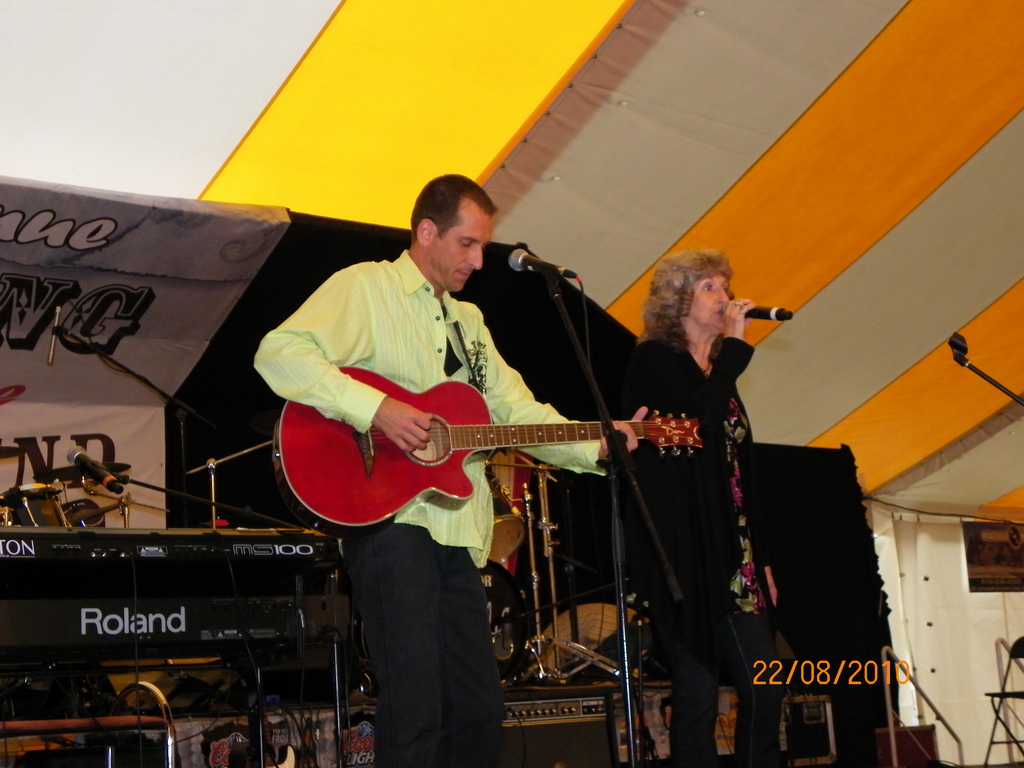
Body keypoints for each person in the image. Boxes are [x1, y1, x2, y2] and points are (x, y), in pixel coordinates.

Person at [254, 174, 639, 768]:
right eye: (467, 243)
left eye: (483, 246)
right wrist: (378, 408)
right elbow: (279, 352)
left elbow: (517, 413)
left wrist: (598, 444)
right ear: (427, 232)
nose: (478, 261)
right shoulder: (367, 287)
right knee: (416, 708)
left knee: (478, 710)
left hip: (459, 533)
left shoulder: (469, 322)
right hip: (391, 523)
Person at [621, 248, 784, 768]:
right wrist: (734, 349)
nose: (725, 297)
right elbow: (697, 426)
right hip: (682, 553)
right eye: (709, 286)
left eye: (724, 286)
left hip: (735, 556)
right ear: (678, 300)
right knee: (697, 697)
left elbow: (741, 472)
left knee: (766, 686)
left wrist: (762, 559)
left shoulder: (718, 370)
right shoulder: (654, 360)